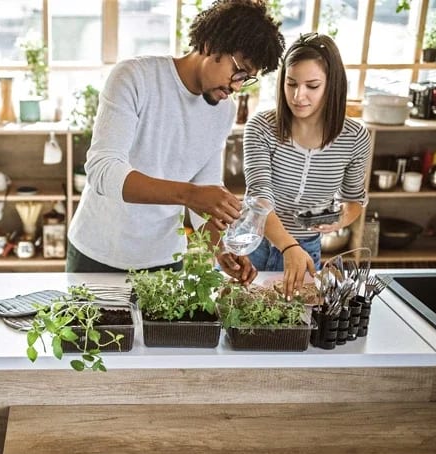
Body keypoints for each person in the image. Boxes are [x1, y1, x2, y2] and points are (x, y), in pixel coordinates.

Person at [66, 0, 285, 284]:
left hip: (165, 262)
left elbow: (205, 188)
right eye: (239, 72)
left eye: (247, 79)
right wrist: (191, 195)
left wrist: (220, 247)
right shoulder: (134, 77)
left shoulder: (224, 111)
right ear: (211, 44)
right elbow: (103, 170)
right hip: (97, 255)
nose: (237, 86)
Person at [243, 32, 371, 298]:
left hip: (306, 251)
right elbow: (259, 196)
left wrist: (337, 220)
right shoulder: (261, 127)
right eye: (291, 84)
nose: (298, 96)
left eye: (312, 86)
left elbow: (354, 200)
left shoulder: (355, 138)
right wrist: (288, 246)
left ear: (332, 85)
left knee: (293, 330)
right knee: (245, 325)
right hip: (254, 245)